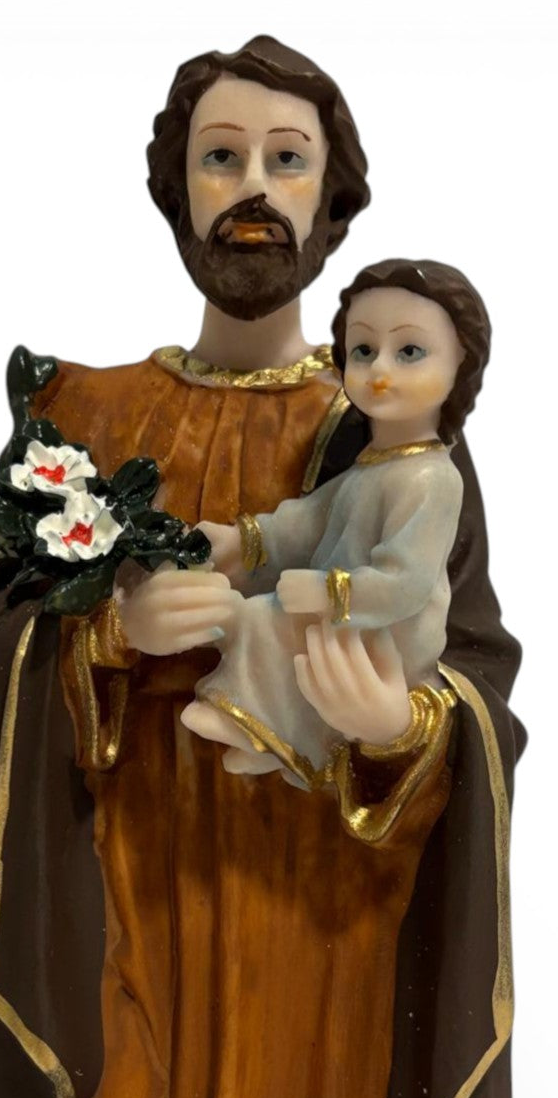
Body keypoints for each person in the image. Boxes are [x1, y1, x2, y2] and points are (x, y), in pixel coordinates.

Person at [0, 35, 526, 1098]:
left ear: (334, 199)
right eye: (223, 156)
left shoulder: (395, 438)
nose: (254, 187)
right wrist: (99, 637)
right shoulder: (82, 418)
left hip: (322, 934)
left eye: (287, 160)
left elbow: (476, 679)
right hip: (116, 915)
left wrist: (403, 730)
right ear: (176, 188)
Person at [183, 259, 488, 789]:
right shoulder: (373, 465)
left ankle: (270, 735)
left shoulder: (432, 478)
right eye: (364, 350)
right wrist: (245, 540)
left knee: (267, 619)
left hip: (387, 630)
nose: (380, 369)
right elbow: (309, 520)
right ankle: (275, 741)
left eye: (409, 351)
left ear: (461, 362)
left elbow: (407, 582)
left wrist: (333, 593)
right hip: (343, 615)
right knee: (261, 618)